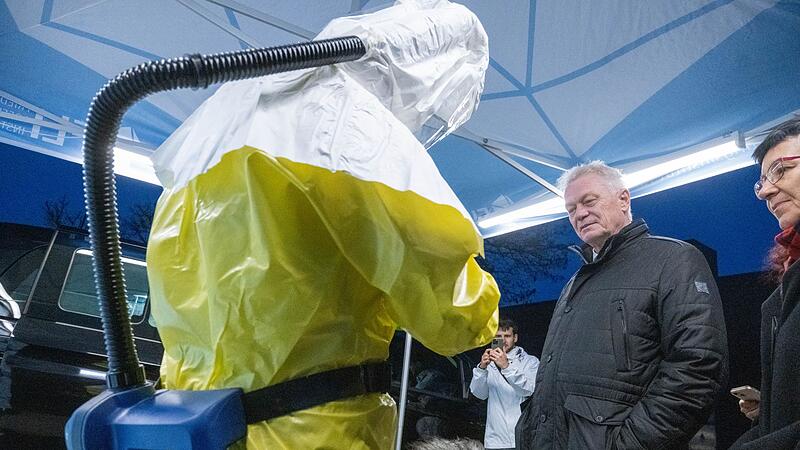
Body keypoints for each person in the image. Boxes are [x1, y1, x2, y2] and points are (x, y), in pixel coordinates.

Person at [516, 161, 728, 449]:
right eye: (571, 209)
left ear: (624, 199)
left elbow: (698, 367)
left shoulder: (674, 259)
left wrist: (630, 444)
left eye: (589, 201)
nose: (580, 213)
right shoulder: (574, 282)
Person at [731, 118, 800, 448]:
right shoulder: (785, 281)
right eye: (761, 182)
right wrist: (772, 406)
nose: (767, 191)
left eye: (781, 170)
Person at [470, 318, 539, 450]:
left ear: (515, 338)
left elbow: (530, 390)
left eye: (507, 336)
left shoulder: (530, 362)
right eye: (498, 337)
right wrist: (481, 368)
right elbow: (479, 394)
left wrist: (506, 367)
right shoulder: (489, 364)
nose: (503, 341)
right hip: (495, 439)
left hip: (522, 437)